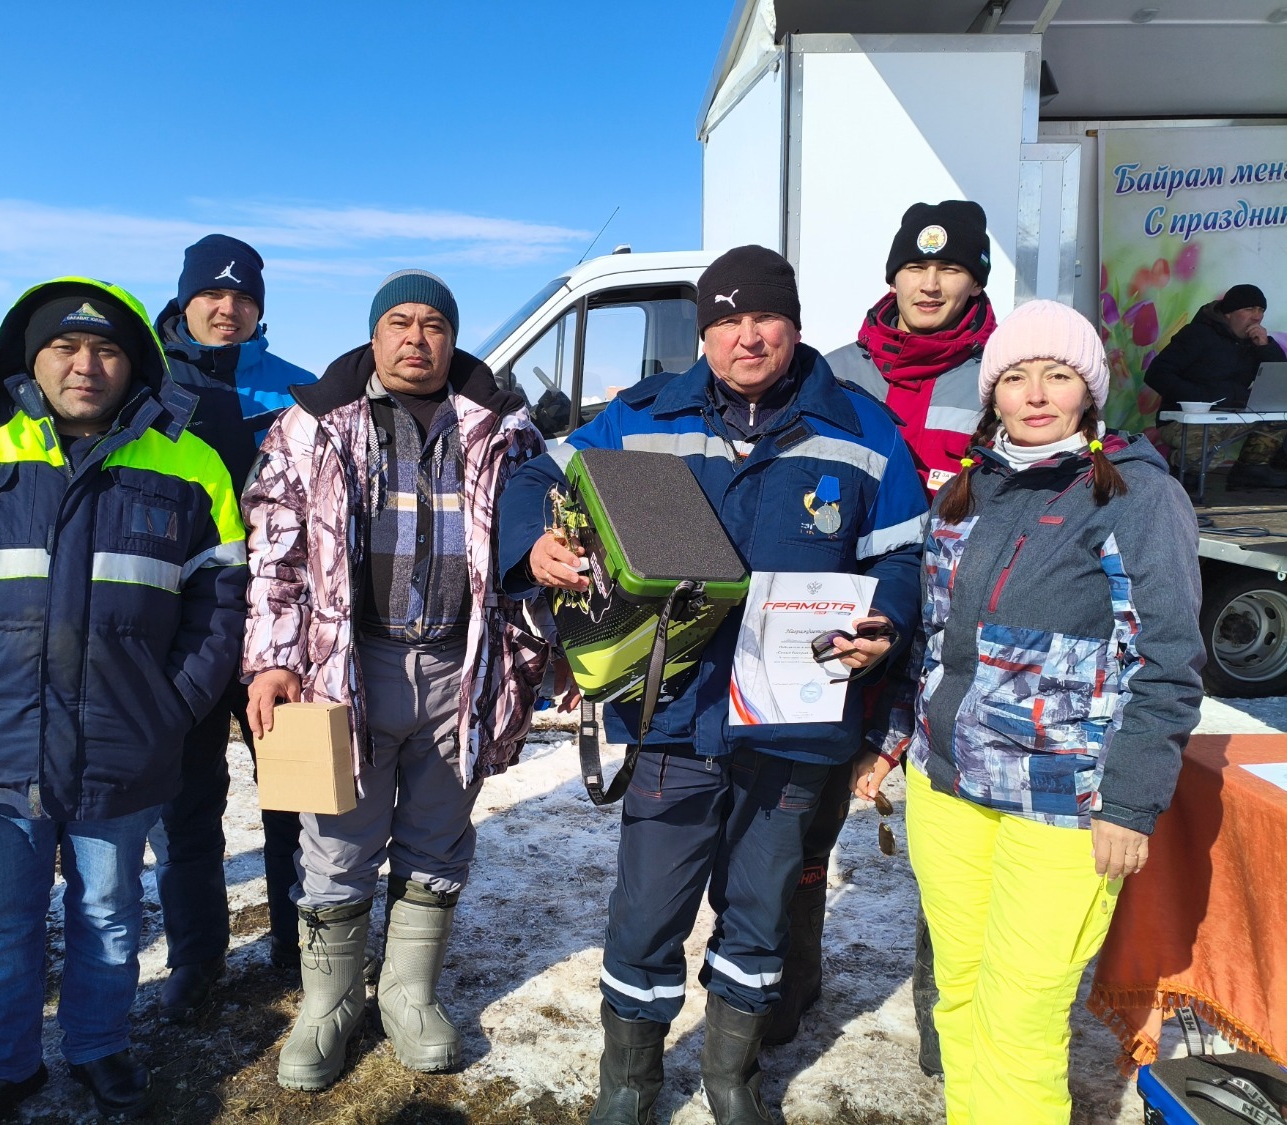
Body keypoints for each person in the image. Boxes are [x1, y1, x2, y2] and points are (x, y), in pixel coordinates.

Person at [500, 245, 927, 1125]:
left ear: (793, 324)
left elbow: (904, 556)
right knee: (647, 913)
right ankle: (630, 1082)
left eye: (763, 316)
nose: (746, 336)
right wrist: (535, 544)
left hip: (793, 726)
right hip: (673, 715)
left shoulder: (863, 429)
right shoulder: (644, 414)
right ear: (704, 332)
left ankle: (733, 1077)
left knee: (762, 914)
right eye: (726, 320)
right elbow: (537, 475)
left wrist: (884, 620)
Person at [0, 278, 247, 1124]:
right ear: (29, 359)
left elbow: (220, 604)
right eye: (65, 347)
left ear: (134, 364)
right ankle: (3, 1063)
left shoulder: (189, 460)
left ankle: (99, 1045)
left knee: (109, 910)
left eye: (106, 350)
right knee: (3, 916)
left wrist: (171, 707)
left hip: (125, 742)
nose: (85, 365)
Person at [890, 299, 1203, 1125]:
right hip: (947, 788)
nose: (1035, 394)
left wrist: (1129, 803)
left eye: (1057, 375)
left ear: (1088, 390)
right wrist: (894, 737)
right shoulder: (967, 489)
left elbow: (1167, 659)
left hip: (1062, 804)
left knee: (1019, 1016)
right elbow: (934, 639)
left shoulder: (1135, 494)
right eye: (1016, 376)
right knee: (959, 993)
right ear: (992, 391)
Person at [241, 269, 551, 1091]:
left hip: (462, 663)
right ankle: (329, 1002)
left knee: (438, 836)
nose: (417, 339)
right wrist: (273, 658)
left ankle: (409, 995)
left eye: (434, 325)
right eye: (400, 323)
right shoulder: (312, 425)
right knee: (337, 842)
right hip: (348, 668)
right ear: (375, 335)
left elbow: (538, 535)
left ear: (453, 338)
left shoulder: (505, 428)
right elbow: (274, 553)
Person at [772, 200, 998, 1063]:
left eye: (950, 267)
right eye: (915, 266)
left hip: (956, 642)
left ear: (976, 278)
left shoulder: (1004, 374)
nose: (930, 283)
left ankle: (950, 1017)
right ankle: (789, 981)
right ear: (893, 274)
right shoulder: (833, 372)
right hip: (843, 630)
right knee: (802, 823)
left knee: (958, 847)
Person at [146, 233, 317, 1022]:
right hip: (179, 627)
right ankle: (196, 956)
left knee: (296, 795)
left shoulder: (297, 391)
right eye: (212, 294)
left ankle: (298, 939)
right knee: (186, 803)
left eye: (243, 296)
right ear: (185, 300)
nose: (227, 308)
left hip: (279, 629)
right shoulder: (145, 384)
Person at [1144, 282, 1287, 489]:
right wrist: (1200, 398)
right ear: (1228, 313)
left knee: (1280, 414)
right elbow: (1156, 374)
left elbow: (1279, 380)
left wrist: (1265, 347)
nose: (1257, 316)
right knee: (1205, 456)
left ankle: (1251, 469)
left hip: (1230, 417)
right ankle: (1175, 468)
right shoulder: (1197, 335)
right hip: (1185, 419)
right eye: (1249, 309)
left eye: (1261, 310)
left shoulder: (1256, 342)